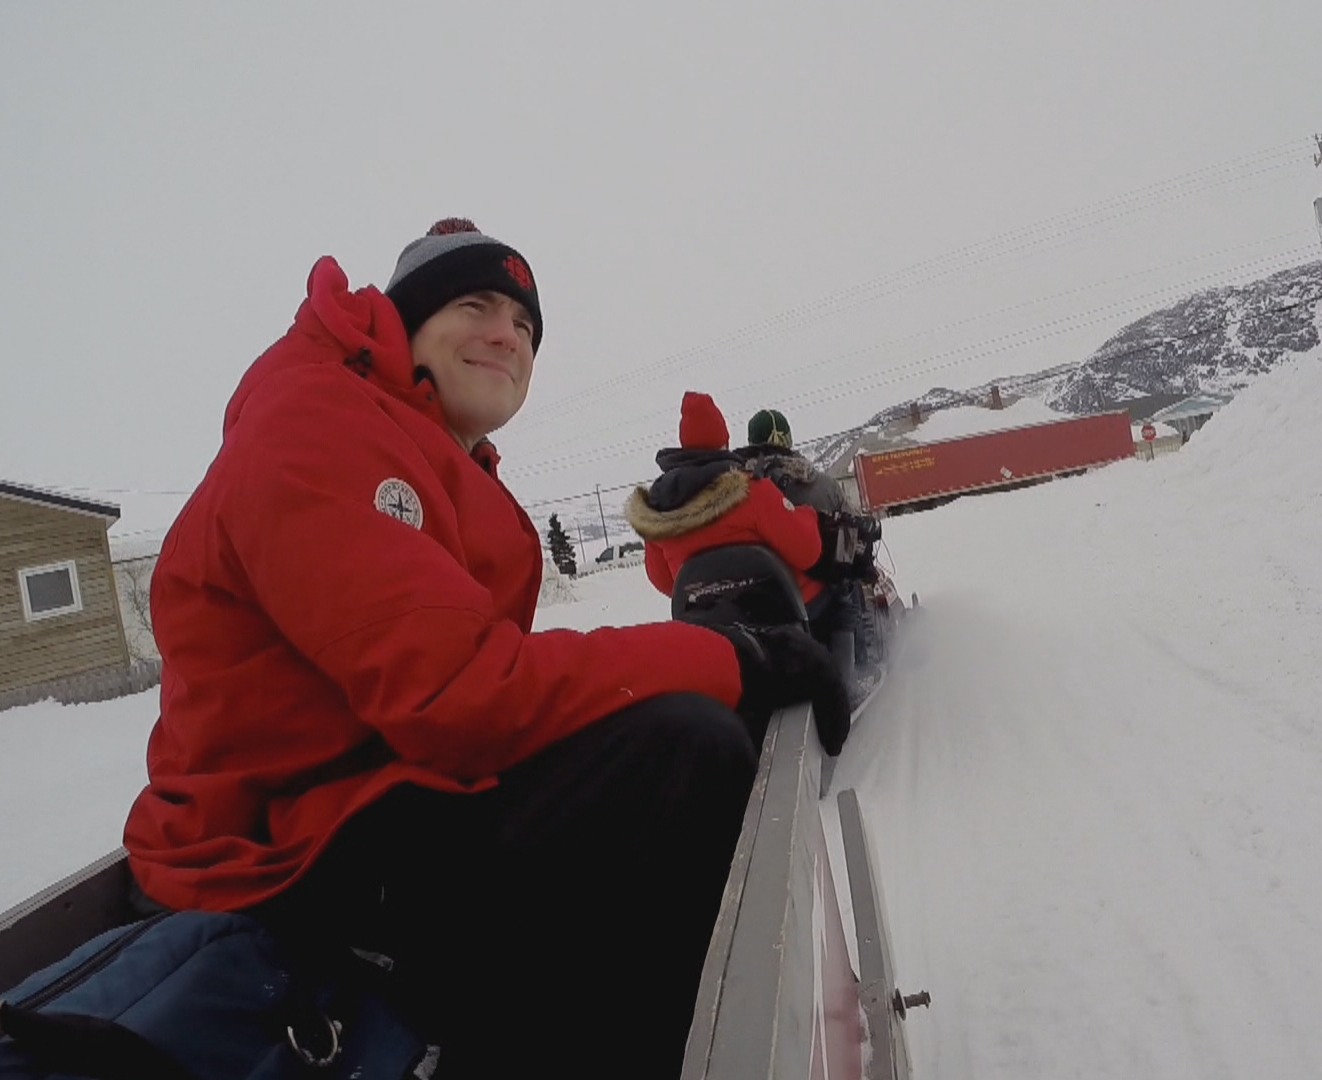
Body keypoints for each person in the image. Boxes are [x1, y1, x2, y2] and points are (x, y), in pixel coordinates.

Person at [121, 218, 843, 1078]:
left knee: (664, 732)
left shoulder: (423, 447)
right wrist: (732, 658)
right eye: (476, 304)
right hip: (273, 856)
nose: (509, 334)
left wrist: (701, 661)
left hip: (367, 798)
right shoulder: (317, 426)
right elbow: (462, 692)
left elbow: (478, 671)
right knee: (678, 750)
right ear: (404, 324)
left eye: (526, 324)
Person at [628, 393, 828, 611]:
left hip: (709, 627)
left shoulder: (660, 511)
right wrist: (808, 514)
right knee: (839, 599)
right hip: (774, 624)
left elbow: (665, 582)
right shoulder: (752, 491)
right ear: (725, 442)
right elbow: (808, 552)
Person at [737, 408, 882, 673]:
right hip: (808, 601)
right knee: (847, 586)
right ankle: (860, 667)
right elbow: (851, 542)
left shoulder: (737, 491)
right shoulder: (820, 486)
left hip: (753, 602)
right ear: (788, 441)